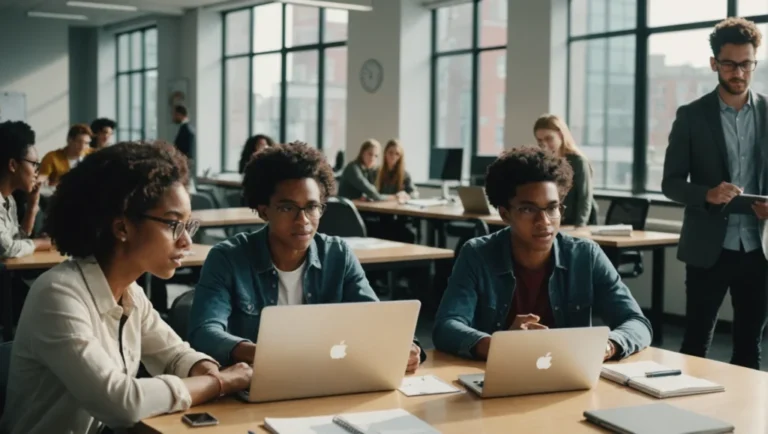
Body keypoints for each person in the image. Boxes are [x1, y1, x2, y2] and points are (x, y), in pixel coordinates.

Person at [0, 142, 252, 434]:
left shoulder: (131, 293)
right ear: (121, 228)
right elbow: (122, 402)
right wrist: (220, 382)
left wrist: (203, 368)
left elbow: (174, 354)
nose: (186, 241)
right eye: (173, 225)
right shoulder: (58, 295)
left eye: (189, 226)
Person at [188, 142, 425, 373]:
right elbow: (203, 332)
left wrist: (406, 346)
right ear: (263, 210)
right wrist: (264, 354)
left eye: (312, 207)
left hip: (326, 378)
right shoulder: (227, 258)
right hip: (256, 382)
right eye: (287, 208)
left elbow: (375, 319)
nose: (303, 221)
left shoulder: (338, 255)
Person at [432, 147, 651, 361]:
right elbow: (446, 326)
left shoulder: (586, 255)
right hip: (500, 376)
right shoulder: (477, 254)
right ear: (505, 214)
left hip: (569, 376)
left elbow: (637, 323)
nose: (544, 222)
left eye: (552, 208)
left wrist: (607, 346)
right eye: (528, 209)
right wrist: (501, 345)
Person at [662, 17, 768, 369]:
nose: (738, 72)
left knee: (749, 347)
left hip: (761, 248)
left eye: (746, 64)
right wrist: (707, 193)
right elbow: (671, 182)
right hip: (709, 247)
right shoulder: (691, 116)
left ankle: (743, 422)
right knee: (695, 343)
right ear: (714, 64)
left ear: (756, 61)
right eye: (729, 64)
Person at [533, 114, 597, 227]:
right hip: (554, 222)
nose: (544, 145)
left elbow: (585, 198)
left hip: (575, 224)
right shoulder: (544, 161)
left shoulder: (578, 161)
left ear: (561, 136)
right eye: (540, 140)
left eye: (549, 138)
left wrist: (579, 227)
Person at [0, 121, 51, 258]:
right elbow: (7, 249)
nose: (36, 172)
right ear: (13, 165)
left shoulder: (8, 199)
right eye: (34, 164)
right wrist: (41, 243)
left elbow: (16, 241)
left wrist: (32, 207)